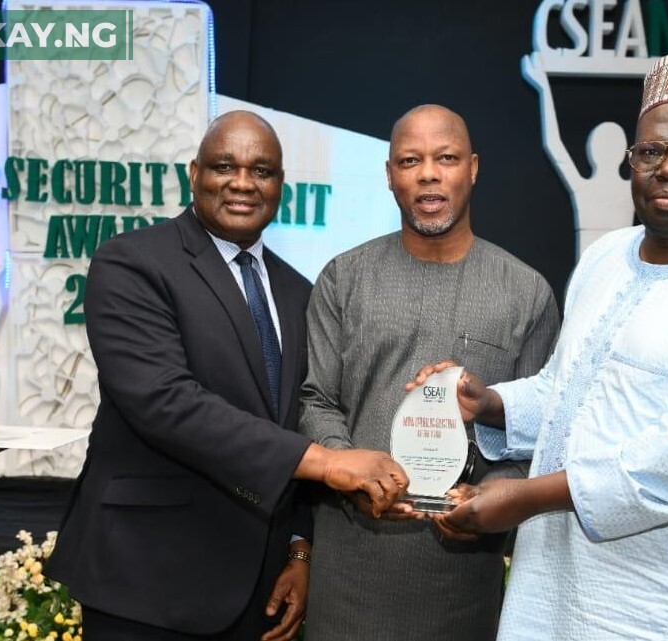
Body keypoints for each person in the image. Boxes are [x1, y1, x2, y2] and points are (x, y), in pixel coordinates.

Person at [416, 49, 668, 640]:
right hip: (560, 581)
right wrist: (489, 403)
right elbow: (569, 388)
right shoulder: (607, 257)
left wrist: (525, 497)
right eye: (652, 150)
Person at [46, 111, 409, 641]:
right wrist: (329, 464)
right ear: (194, 173)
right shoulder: (131, 264)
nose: (242, 183)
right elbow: (167, 405)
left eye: (262, 170)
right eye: (224, 166)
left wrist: (299, 550)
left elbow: (300, 418)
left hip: (257, 588)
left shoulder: (297, 292)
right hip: (144, 580)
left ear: (280, 184)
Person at [298, 104, 560, 641]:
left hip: (461, 585)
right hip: (349, 578)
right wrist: (350, 469)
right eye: (411, 160)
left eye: (446, 158)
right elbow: (315, 400)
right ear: (391, 174)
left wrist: (496, 495)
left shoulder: (526, 292)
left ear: (474, 168)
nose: (429, 173)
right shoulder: (342, 280)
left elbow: (536, 429)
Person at [521, 51, 634, 257]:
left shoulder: (626, 188)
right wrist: (543, 89)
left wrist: (544, 88)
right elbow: (554, 144)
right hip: (590, 279)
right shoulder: (627, 188)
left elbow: (554, 144)